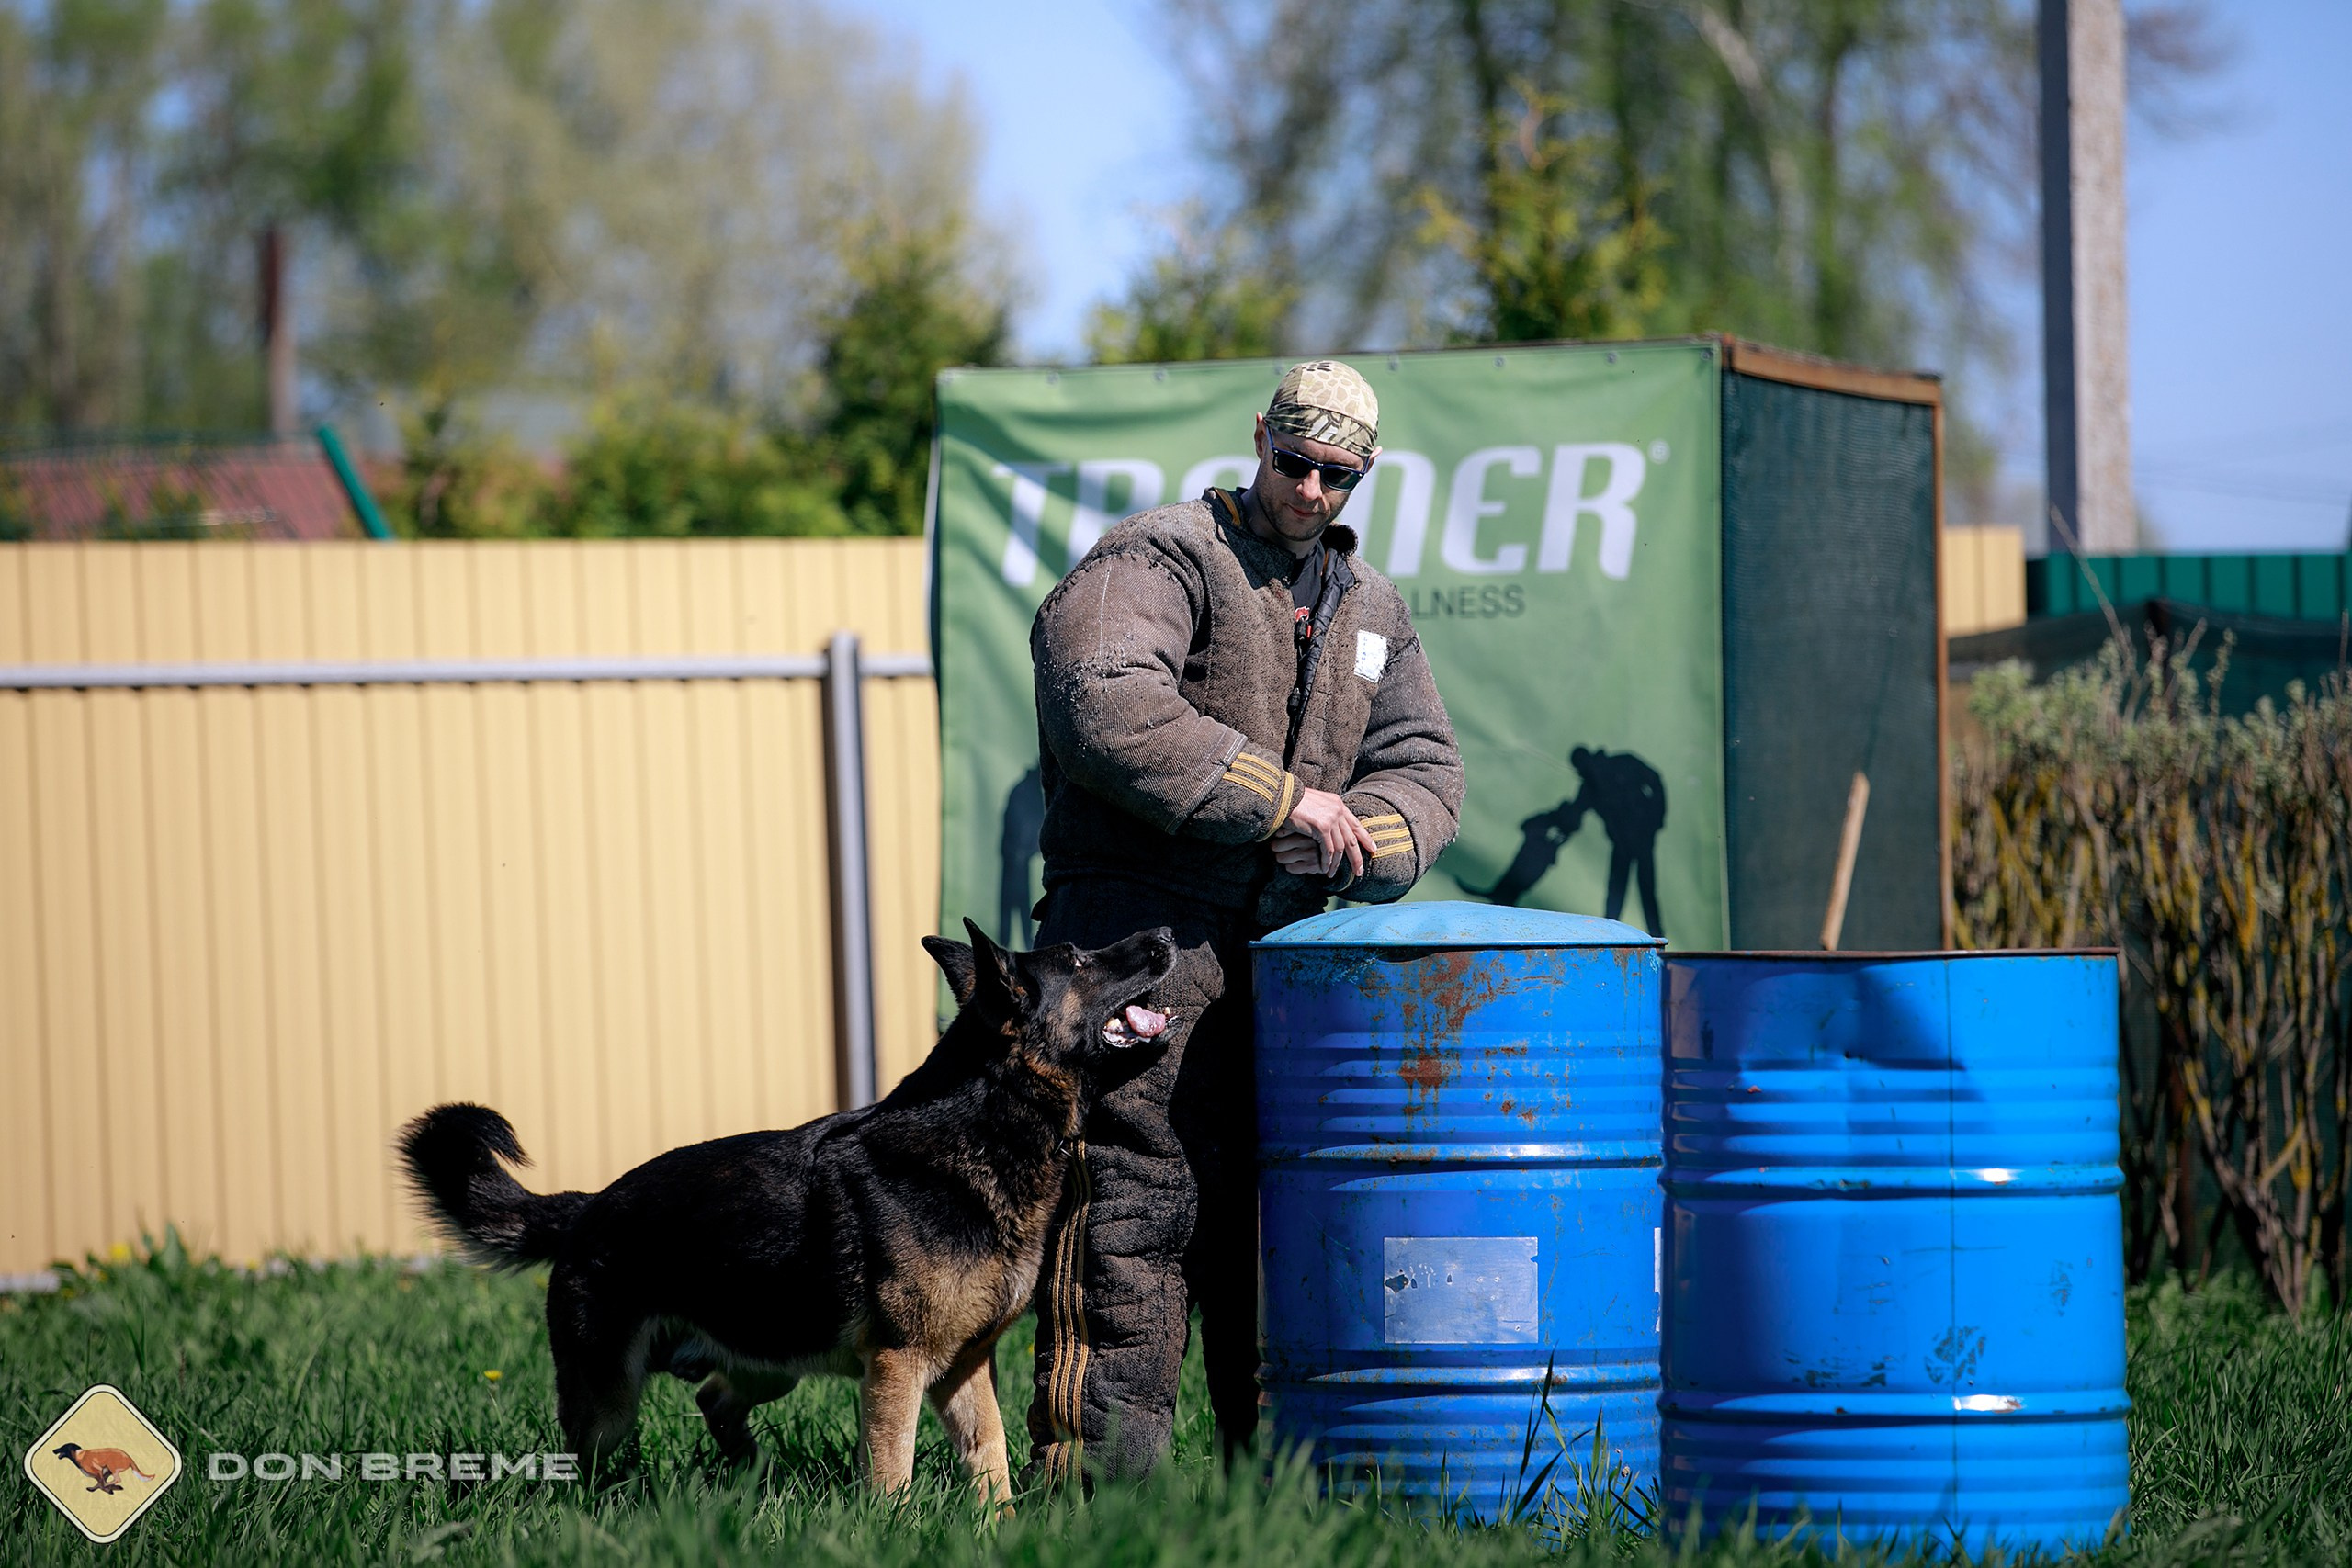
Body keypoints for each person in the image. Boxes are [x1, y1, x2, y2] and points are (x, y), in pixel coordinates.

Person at [1023, 360, 1465, 1483]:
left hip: (1281, 964)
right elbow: (1102, 701)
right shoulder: (1161, 555)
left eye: (1340, 475)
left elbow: (1424, 766)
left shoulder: (1372, 611)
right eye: (1296, 462)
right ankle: (1098, 1494)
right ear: (1258, 436)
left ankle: (1259, 1494)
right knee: (1130, 1207)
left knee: (1269, 1225)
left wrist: (1371, 835)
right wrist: (1279, 802)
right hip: (1133, 946)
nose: (1313, 491)